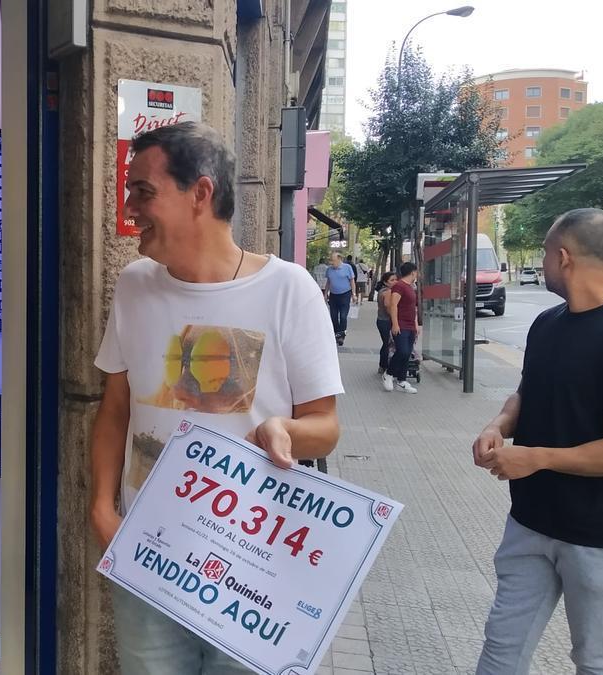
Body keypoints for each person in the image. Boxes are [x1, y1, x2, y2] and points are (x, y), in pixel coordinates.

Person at [88, 121, 344, 675]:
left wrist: (286, 431)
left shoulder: (288, 289)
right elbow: (114, 408)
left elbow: (324, 424)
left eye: (143, 191)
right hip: (149, 553)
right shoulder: (135, 285)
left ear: (200, 194)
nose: (129, 207)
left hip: (248, 565)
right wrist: (103, 510)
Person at [472, 208, 603, 675]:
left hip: (600, 534)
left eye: (544, 252)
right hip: (531, 521)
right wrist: (498, 426)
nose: (542, 262)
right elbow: (528, 391)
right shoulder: (548, 324)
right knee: (502, 647)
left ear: (563, 257)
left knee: (595, 659)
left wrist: (536, 458)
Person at [384, 262, 420, 394]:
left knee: (407, 353)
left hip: (410, 325)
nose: (417, 274)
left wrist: (416, 324)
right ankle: (389, 373)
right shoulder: (399, 286)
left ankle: (402, 380)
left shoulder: (410, 287)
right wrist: (395, 323)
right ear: (412, 272)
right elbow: (393, 305)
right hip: (401, 324)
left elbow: (413, 307)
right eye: (416, 272)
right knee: (402, 351)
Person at [324, 252, 356, 345]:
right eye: (330, 260)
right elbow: (328, 282)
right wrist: (326, 294)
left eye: (333, 260)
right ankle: (336, 333)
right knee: (333, 316)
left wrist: (354, 294)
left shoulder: (347, 268)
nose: (331, 263)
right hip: (333, 295)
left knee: (343, 316)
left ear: (339, 259)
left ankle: (341, 336)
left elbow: (352, 281)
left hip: (345, 294)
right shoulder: (329, 270)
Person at [373, 271, 397, 375]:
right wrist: (394, 317)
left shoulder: (382, 290)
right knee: (388, 344)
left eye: (396, 279)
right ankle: (384, 366)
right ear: (385, 282)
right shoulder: (387, 292)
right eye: (392, 280)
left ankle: (382, 365)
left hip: (381, 320)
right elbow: (388, 306)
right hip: (386, 321)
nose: (395, 282)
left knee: (386, 343)